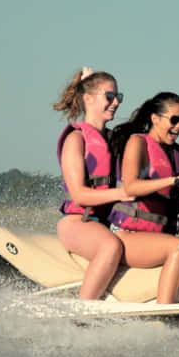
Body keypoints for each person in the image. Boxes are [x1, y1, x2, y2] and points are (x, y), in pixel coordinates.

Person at [108, 92, 179, 305]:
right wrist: (172, 181)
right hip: (126, 236)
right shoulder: (137, 143)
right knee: (178, 247)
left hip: (157, 236)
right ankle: (165, 313)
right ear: (155, 118)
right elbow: (130, 187)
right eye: (174, 120)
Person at [53, 67, 126, 301]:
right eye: (110, 97)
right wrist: (123, 193)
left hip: (106, 223)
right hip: (78, 223)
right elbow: (80, 195)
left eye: (118, 97)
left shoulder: (114, 140)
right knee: (110, 247)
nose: (116, 103)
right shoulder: (76, 139)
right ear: (88, 98)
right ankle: (84, 315)